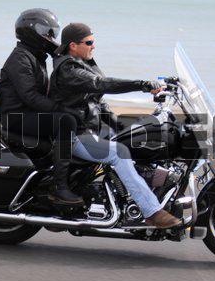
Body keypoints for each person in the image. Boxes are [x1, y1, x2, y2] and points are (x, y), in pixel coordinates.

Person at [49, 23, 182, 228]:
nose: (93, 46)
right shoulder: (69, 70)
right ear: (73, 46)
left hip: (91, 128)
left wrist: (121, 127)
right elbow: (101, 84)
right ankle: (151, 211)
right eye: (89, 42)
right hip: (76, 134)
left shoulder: (84, 64)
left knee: (135, 139)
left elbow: (98, 102)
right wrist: (142, 85)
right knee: (119, 153)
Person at [0, 9, 84, 205]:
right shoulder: (20, 58)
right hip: (17, 116)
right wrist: (61, 109)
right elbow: (31, 96)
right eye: (48, 32)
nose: (51, 37)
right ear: (32, 31)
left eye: (53, 33)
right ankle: (59, 187)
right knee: (66, 121)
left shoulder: (35, 56)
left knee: (75, 118)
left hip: (29, 112)